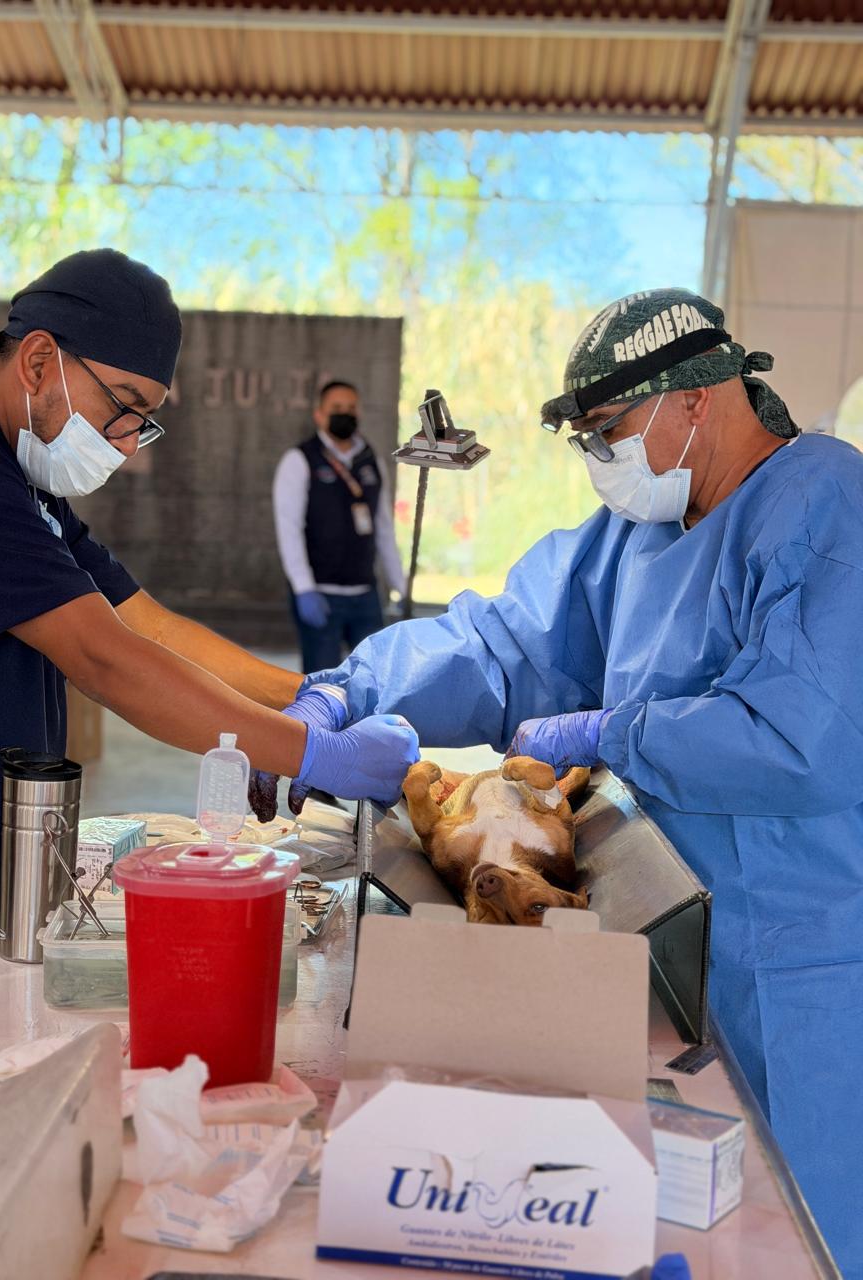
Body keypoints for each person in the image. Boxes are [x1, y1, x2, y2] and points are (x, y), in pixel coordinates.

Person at [262, 288, 863, 1278]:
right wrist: (341, 689)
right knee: (693, 1226)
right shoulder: (636, 537)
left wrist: (613, 728)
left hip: (800, 971)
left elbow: (805, 736)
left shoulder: (827, 505)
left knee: (801, 1235)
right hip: (671, 956)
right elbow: (501, 645)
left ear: (697, 399)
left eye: (607, 429)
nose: (599, 457)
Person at [0, 249, 418, 972]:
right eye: (122, 407)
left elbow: (145, 622)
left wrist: (305, 696)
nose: (122, 440)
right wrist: (304, 752)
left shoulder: (19, 478)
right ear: (40, 362)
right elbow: (104, 658)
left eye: (142, 420)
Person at [273, 379, 406, 671]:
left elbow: (383, 529)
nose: (345, 413)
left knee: (374, 680)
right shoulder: (300, 460)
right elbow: (288, 528)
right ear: (319, 414)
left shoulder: (371, 461)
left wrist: (401, 586)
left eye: (351, 408)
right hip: (320, 594)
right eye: (336, 408)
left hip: (365, 595)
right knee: (322, 686)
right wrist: (303, 588)